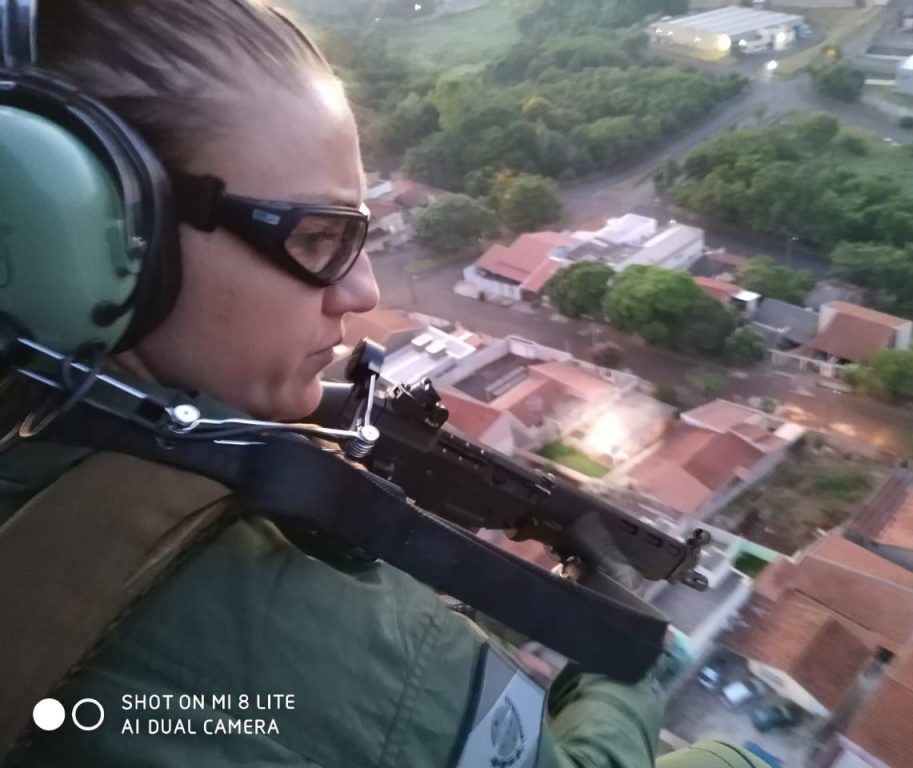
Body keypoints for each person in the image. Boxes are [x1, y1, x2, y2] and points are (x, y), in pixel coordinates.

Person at [0, 2, 769, 766]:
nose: (363, 290)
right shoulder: (309, 636)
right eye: (315, 236)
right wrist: (628, 682)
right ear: (76, 232)